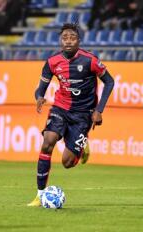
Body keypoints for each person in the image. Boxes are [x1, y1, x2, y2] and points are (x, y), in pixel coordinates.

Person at [27, 23, 115, 207]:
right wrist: (39, 97)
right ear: (60, 40)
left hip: (83, 114)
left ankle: (82, 148)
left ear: (79, 41)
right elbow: (40, 89)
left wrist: (99, 110)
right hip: (60, 108)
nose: (68, 41)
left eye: (72, 37)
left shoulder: (90, 60)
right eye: (65, 37)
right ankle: (39, 195)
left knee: (67, 162)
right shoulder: (52, 62)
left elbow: (110, 81)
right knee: (47, 142)